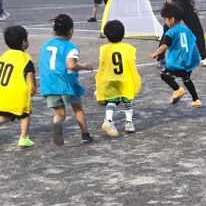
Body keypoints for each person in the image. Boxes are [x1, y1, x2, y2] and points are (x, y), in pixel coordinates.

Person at [39, 14, 93, 146]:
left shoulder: (45, 46)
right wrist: (84, 66)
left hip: (49, 84)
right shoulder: (70, 47)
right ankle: (85, 135)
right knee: (77, 108)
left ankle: (57, 124)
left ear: (54, 31)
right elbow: (71, 65)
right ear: (70, 31)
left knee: (60, 113)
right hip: (65, 83)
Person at [95, 19, 141, 137]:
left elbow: (102, 66)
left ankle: (108, 120)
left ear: (106, 35)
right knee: (127, 100)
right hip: (124, 78)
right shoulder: (129, 48)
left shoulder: (104, 49)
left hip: (109, 79)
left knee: (111, 101)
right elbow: (131, 64)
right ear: (123, 34)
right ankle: (129, 123)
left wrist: (99, 85)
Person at [150, 3, 201, 107]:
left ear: (172, 19)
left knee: (164, 75)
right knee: (186, 80)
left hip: (176, 64)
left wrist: (155, 53)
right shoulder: (186, 29)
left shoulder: (171, 32)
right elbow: (193, 41)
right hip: (188, 63)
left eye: (166, 19)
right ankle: (196, 100)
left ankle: (178, 90)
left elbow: (164, 46)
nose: (165, 21)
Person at [0, 26, 35, 147]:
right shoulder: (25, 58)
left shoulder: (4, 55)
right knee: (25, 114)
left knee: (5, 115)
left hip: (3, 90)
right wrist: (32, 87)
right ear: (24, 42)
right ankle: (23, 138)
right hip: (17, 92)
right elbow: (30, 74)